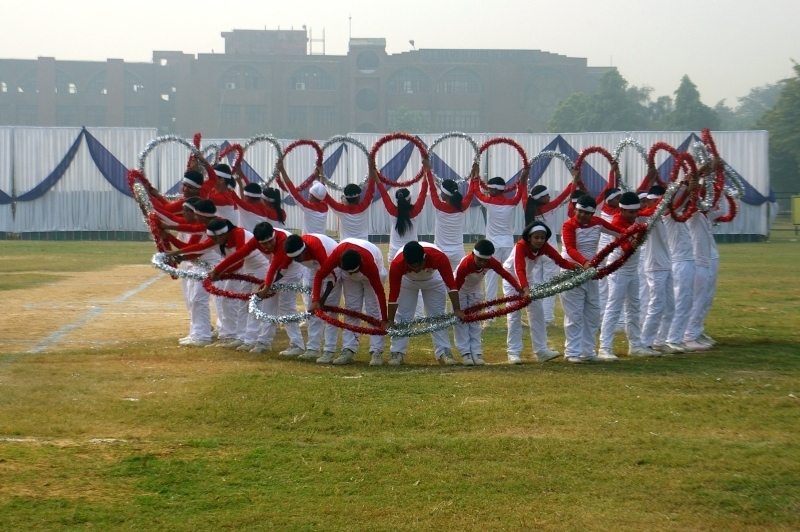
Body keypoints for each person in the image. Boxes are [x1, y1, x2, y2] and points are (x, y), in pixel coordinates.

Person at [559, 194, 624, 363]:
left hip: (591, 273)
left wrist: (633, 235)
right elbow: (570, 248)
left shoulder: (597, 222)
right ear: (575, 210)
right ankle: (572, 352)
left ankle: (587, 351)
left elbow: (619, 232)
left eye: (587, 213)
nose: (582, 216)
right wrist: (584, 263)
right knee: (574, 315)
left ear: (592, 214)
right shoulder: (568, 225)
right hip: (571, 272)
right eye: (580, 211)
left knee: (593, 312)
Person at [257, 232, 341, 361]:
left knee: (330, 310)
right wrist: (268, 284)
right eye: (294, 259)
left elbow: (332, 278)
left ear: (304, 250)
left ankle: (329, 351)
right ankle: (313, 349)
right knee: (312, 310)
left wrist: (321, 300)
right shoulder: (291, 251)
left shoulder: (318, 249)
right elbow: (283, 271)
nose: (297, 261)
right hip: (313, 268)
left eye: (298, 257)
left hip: (333, 266)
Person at [504, 221, 579, 364]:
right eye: (536, 237)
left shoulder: (545, 247)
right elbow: (519, 268)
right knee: (514, 315)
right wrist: (525, 288)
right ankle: (513, 352)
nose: (539, 240)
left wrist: (575, 266)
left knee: (537, 313)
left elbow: (560, 261)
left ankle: (541, 350)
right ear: (529, 237)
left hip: (528, 278)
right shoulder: (521, 246)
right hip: (511, 278)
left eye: (542, 238)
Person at [597, 192, 660, 360]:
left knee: (634, 308)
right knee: (614, 307)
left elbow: (653, 210)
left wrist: (668, 196)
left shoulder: (634, 219)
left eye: (636, 212)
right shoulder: (617, 222)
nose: (635, 215)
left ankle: (636, 345)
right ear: (622, 210)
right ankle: (604, 347)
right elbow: (626, 246)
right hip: (619, 270)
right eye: (631, 212)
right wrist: (634, 240)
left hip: (632, 270)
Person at [310, 238, 389, 365]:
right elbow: (319, 275)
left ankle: (376, 351)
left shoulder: (370, 265)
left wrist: (384, 319)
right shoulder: (337, 256)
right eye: (349, 272)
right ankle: (348, 349)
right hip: (350, 271)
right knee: (351, 309)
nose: (353, 274)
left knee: (373, 310)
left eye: (354, 272)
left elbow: (380, 293)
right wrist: (315, 300)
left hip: (370, 271)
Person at [386, 241, 465, 366]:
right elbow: (393, 294)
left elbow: (451, 284)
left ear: (424, 258)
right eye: (412, 266)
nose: (416, 270)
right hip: (407, 282)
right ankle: (397, 352)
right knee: (403, 316)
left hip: (433, 280)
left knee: (438, 315)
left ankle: (444, 352)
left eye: (418, 265)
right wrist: (390, 320)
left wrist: (457, 309)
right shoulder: (397, 263)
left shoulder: (438, 256)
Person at [523, 168, 581, 325]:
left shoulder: (528, 209)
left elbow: (523, 194)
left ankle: (537, 318)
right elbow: (565, 194)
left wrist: (524, 179)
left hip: (535, 252)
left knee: (537, 285)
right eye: (547, 195)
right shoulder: (549, 207)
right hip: (550, 252)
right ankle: (547, 318)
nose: (550, 197)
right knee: (550, 286)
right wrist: (574, 181)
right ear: (542, 198)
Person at [454, 239, 521, 365]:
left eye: (485, 261)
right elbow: (456, 288)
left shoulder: (491, 262)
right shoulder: (465, 265)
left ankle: (476, 352)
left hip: (475, 290)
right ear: (473, 255)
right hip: (460, 291)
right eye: (480, 260)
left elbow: (505, 274)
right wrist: (457, 309)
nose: (482, 263)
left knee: (475, 321)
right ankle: (465, 353)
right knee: (461, 322)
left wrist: (518, 288)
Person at [472, 166, 528, 311]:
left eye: (490, 189)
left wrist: (476, 176)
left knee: (491, 280)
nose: (488, 191)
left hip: (493, 247)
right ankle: (513, 310)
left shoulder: (489, 202)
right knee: (510, 279)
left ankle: (490, 314)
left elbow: (476, 192)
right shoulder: (511, 202)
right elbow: (520, 191)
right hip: (508, 245)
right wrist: (523, 178)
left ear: (496, 190)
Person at [373, 158, 429, 263]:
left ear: (397, 200)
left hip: (394, 254)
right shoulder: (415, 211)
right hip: (412, 252)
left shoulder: (392, 210)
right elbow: (423, 192)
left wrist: (375, 174)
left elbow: (383, 192)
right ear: (409, 199)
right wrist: (426, 172)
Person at [426, 162, 478, 269]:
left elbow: (432, 188)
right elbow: (471, 192)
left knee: (439, 278)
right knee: (457, 278)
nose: (440, 194)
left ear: (444, 194)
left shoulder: (439, 205)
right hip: (457, 251)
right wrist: (474, 176)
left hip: (440, 250)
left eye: (442, 192)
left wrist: (427, 171)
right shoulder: (462, 207)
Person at [278, 161, 330, 235]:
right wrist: (320, 173)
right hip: (321, 239)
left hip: (309, 239)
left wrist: (282, 170)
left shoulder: (308, 207)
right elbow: (322, 191)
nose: (308, 195)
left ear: (311, 196)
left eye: (309, 194)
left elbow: (293, 191)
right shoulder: (325, 207)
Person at [323, 173, 376, 241]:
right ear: (358, 198)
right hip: (362, 244)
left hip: (346, 244)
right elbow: (371, 189)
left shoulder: (341, 209)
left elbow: (325, 196)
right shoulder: (363, 207)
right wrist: (371, 169)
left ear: (345, 198)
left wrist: (320, 174)